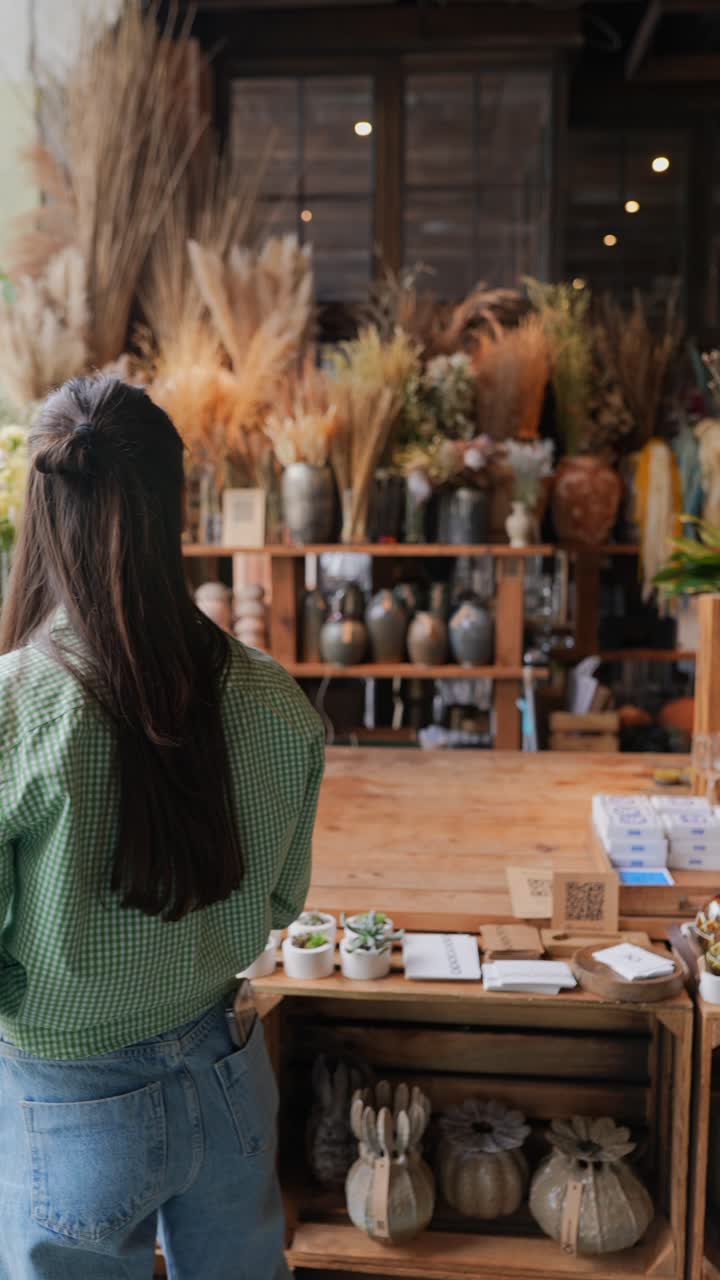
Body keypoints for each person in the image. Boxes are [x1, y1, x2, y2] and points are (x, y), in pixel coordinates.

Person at [0, 375, 325, 1280]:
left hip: (68, 1102)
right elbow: (282, 901)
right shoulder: (272, 696)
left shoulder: (15, 710)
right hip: (227, 1075)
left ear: (45, 506)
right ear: (176, 506)